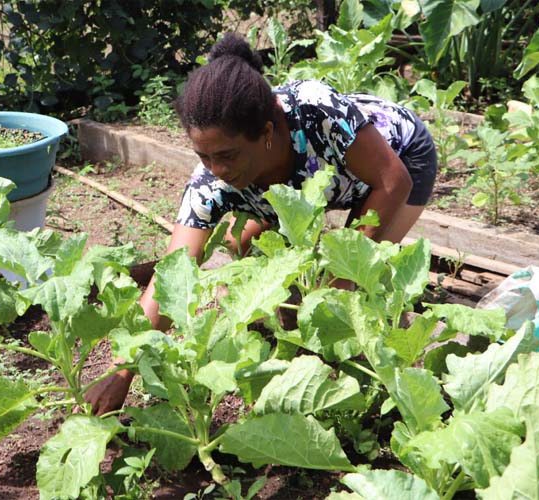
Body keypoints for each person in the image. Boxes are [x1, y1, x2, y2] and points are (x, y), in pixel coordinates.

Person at [84, 32, 438, 415]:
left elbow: (393, 179)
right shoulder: (210, 183)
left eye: (227, 155)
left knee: (353, 282)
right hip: (305, 187)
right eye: (204, 156)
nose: (217, 170)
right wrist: (121, 371)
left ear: (267, 133)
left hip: (396, 162)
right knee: (240, 246)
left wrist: (341, 274)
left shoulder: (316, 109)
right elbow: (171, 277)